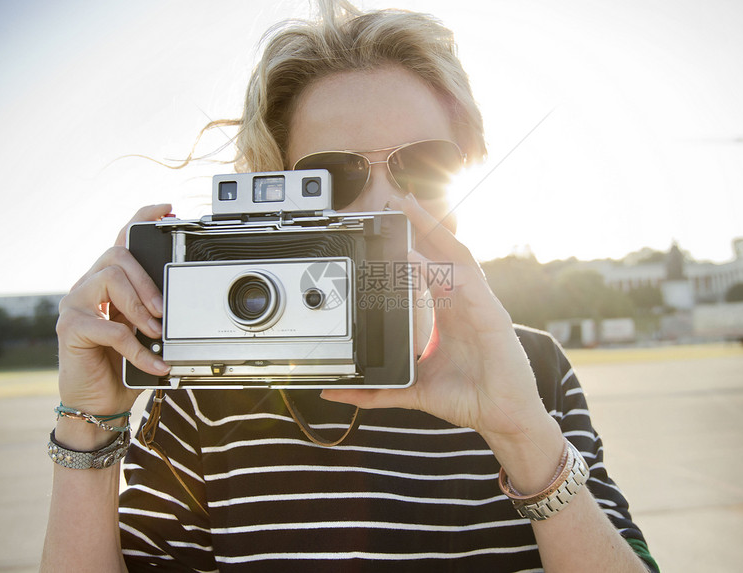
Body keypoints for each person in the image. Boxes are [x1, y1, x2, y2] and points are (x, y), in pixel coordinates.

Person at [42, 1, 658, 571]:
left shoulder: (536, 366)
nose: (388, 202)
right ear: (273, 193)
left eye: (425, 163)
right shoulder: (210, 389)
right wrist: (89, 424)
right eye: (334, 175)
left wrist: (523, 433)